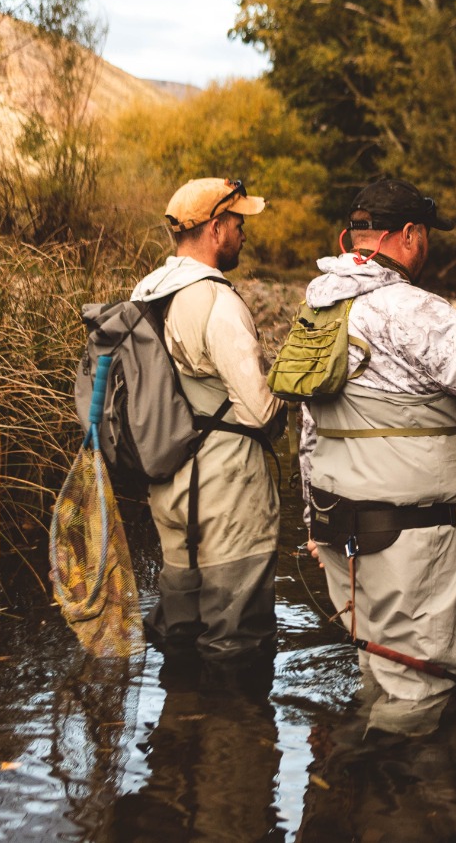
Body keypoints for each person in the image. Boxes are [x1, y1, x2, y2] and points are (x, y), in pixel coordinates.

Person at [299, 177, 456, 735]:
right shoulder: (412, 309)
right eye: (425, 235)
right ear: (407, 236)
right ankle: (396, 800)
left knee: (379, 674)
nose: (426, 246)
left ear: (349, 236)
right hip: (406, 545)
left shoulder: (319, 303)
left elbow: (310, 421)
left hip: (338, 533)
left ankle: (351, 792)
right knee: (420, 699)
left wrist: (310, 519)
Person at [131, 177, 285, 660]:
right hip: (228, 496)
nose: (244, 233)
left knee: (179, 631)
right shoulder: (217, 301)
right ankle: (231, 729)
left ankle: (182, 721)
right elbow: (260, 413)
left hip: (167, 487)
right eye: (239, 223)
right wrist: (295, 391)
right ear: (216, 228)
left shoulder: (146, 292)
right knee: (237, 642)